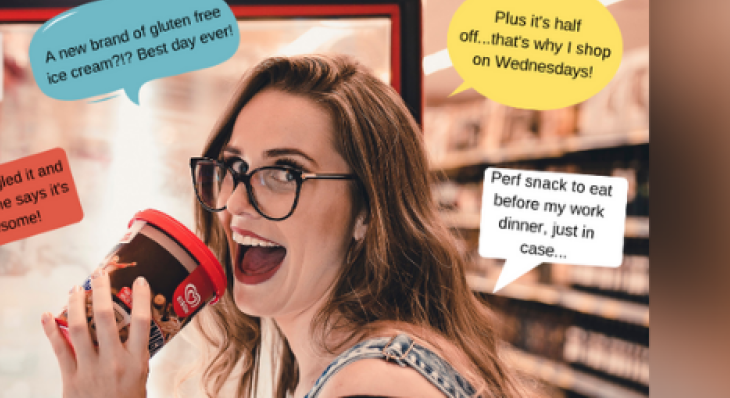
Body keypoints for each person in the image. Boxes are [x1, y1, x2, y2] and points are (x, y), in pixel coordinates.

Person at [42, 55, 535, 398]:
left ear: (367, 212)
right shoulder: (346, 366)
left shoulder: (375, 382)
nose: (235, 202)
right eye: (233, 167)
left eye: (284, 173)